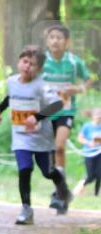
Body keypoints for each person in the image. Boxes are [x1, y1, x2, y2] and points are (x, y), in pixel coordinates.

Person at [0, 45, 70, 224]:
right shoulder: (12, 81)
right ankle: (26, 209)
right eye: (25, 62)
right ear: (19, 62)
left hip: (42, 139)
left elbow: (57, 105)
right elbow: (10, 97)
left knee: (48, 172)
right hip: (21, 137)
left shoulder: (42, 85)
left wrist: (36, 117)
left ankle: (62, 189)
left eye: (33, 64)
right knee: (24, 169)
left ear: (39, 69)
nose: (27, 66)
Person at [42, 24, 93, 209]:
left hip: (66, 111)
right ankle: (62, 191)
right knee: (48, 155)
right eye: (52, 37)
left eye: (59, 38)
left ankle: (59, 193)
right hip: (46, 112)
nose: (55, 41)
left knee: (60, 147)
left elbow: (88, 80)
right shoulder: (41, 61)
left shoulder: (73, 62)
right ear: (47, 41)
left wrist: (77, 89)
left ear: (66, 42)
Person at [74, 108, 101, 198]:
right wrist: (89, 143)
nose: (98, 116)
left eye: (100, 114)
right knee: (91, 176)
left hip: (99, 153)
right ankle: (81, 186)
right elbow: (80, 138)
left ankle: (96, 195)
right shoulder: (87, 126)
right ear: (92, 116)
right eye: (97, 114)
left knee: (99, 174)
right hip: (89, 153)